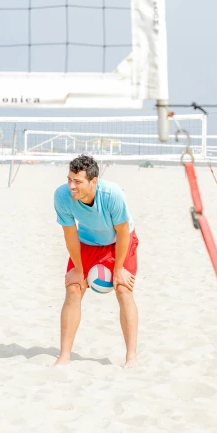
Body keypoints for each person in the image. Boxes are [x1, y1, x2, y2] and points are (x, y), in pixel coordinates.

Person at [52, 154, 139, 369]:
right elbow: (70, 234)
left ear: (93, 182)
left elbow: (122, 231)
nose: (71, 185)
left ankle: (131, 357)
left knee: (123, 289)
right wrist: (79, 270)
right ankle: (63, 356)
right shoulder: (62, 196)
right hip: (87, 241)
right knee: (73, 288)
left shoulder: (112, 195)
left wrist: (118, 269)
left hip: (118, 240)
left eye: (78, 181)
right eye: (69, 179)